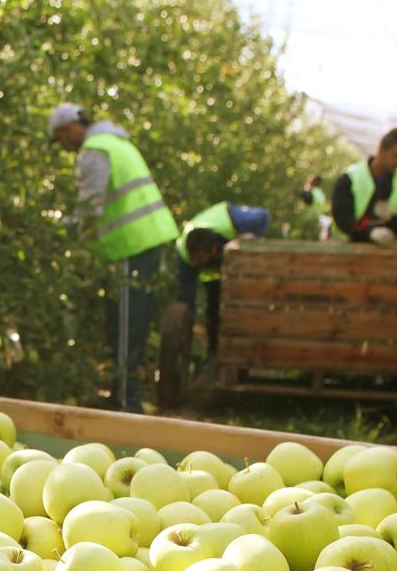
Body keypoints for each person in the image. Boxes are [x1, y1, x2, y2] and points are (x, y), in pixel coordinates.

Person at [48, 102, 178, 413]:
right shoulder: (117, 143)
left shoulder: (95, 151)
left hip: (128, 247)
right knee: (130, 324)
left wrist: (56, 232)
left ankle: (127, 405)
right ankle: (124, 397)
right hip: (147, 242)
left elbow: (90, 210)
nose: (62, 148)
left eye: (59, 140)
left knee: (125, 327)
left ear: (68, 130)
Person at [174, 202, 271, 359]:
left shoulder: (242, 221)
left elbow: (264, 216)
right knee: (209, 311)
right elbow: (186, 303)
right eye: (197, 260)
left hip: (230, 224)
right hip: (215, 271)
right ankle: (210, 353)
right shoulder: (183, 257)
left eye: (202, 259)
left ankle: (237, 351)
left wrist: (252, 241)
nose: (198, 263)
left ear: (214, 250)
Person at [331, 128, 397, 245]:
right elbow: (342, 218)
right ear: (381, 150)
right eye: (396, 155)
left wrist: (391, 219)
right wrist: (368, 232)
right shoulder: (350, 179)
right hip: (348, 249)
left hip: (385, 253)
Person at [298, 175, 330, 241]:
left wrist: (307, 187)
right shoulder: (319, 193)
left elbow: (306, 199)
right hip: (318, 221)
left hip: (312, 221)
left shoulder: (311, 192)